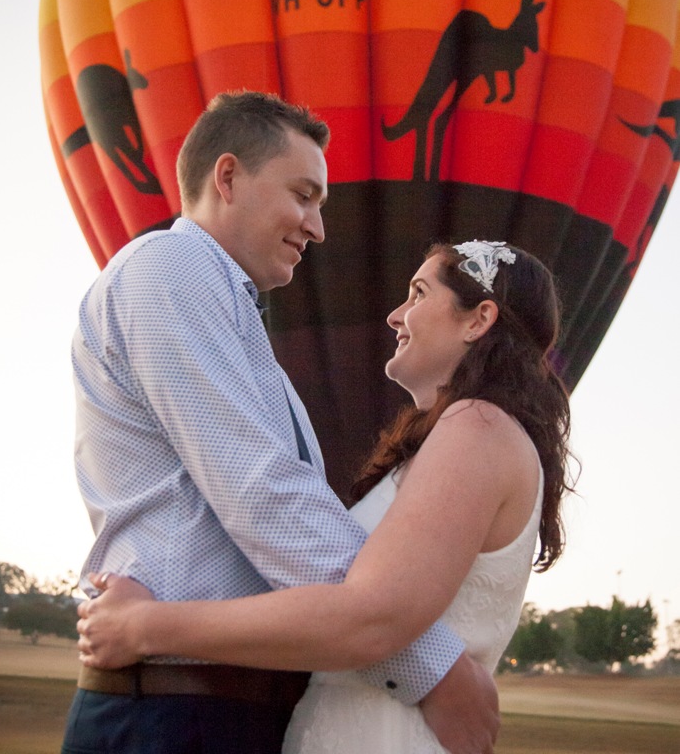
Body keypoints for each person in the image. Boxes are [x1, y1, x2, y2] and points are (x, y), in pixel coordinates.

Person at [61, 91, 498, 754]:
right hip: (173, 711)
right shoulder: (169, 266)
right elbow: (259, 491)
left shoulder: (231, 311)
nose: (318, 227)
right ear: (228, 176)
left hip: (215, 706)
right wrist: (429, 666)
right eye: (303, 195)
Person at [77, 238, 575, 754]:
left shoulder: (477, 427)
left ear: (478, 319)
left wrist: (145, 627)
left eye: (419, 294)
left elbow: (368, 618)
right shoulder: (466, 436)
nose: (395, 315)